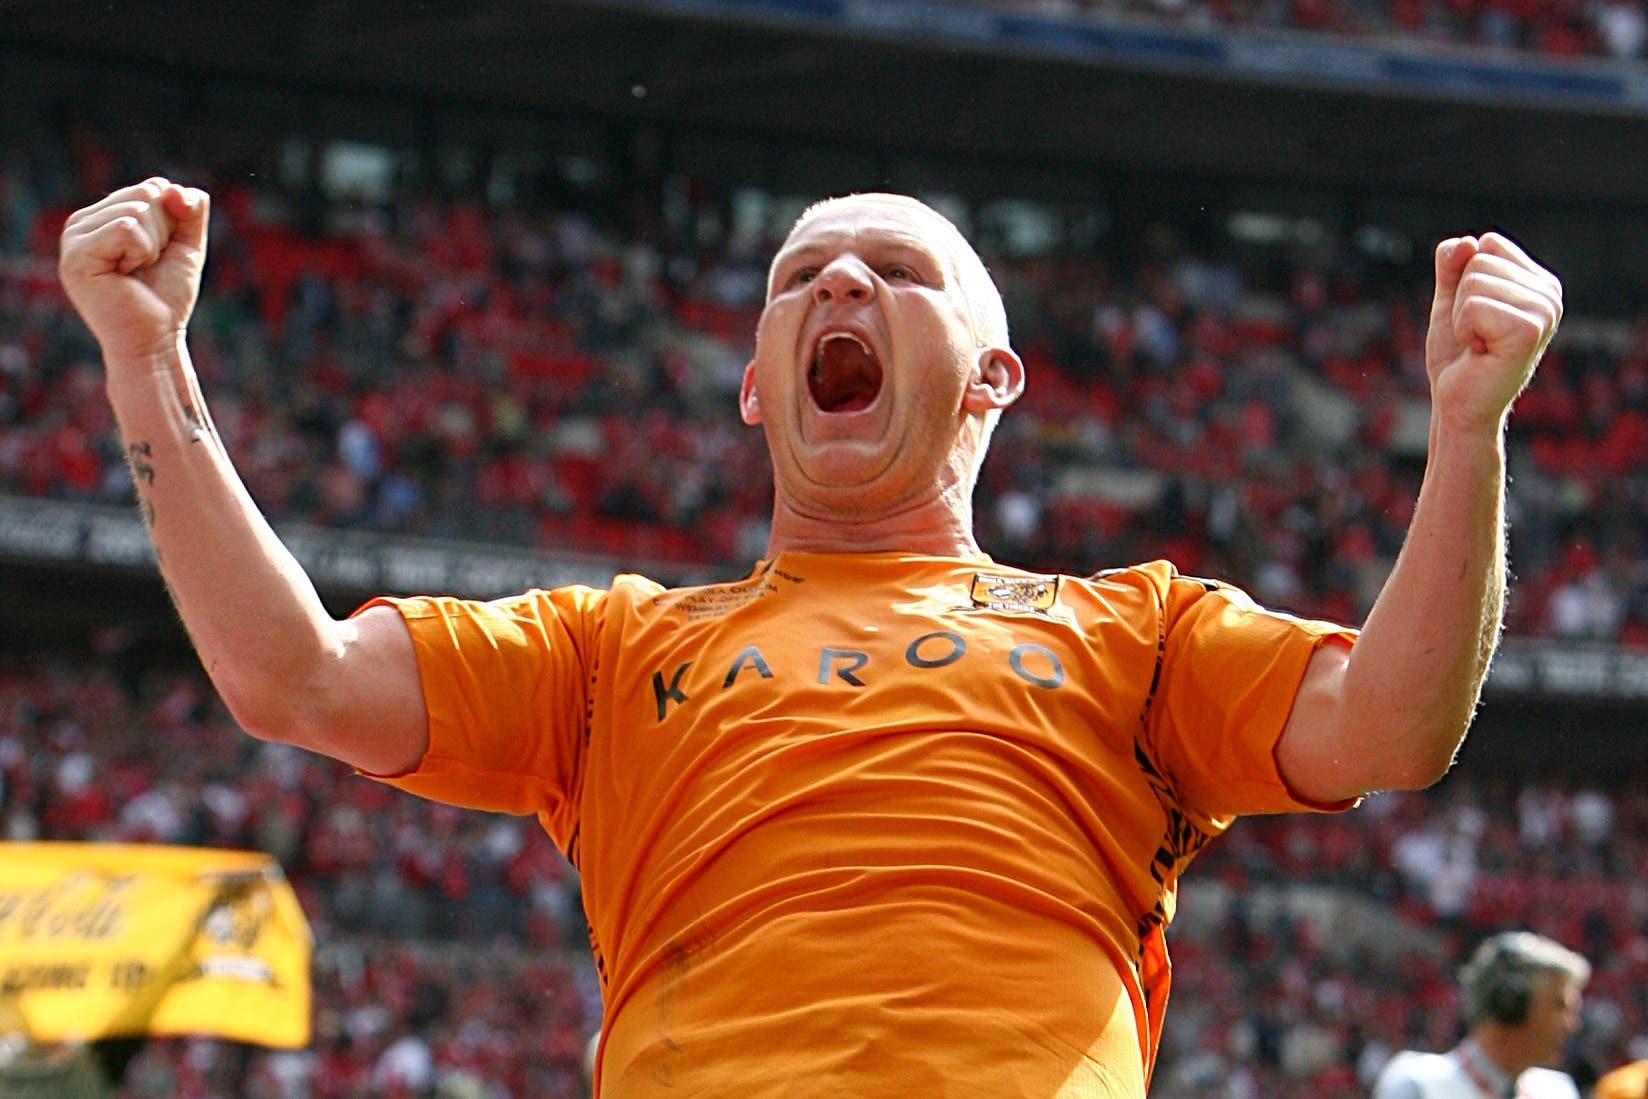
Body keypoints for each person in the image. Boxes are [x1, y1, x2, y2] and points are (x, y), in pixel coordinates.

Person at [57, 177, 1562, 1098]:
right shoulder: (605, 646)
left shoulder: (1137, 627)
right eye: (799, 279)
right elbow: (288, 675)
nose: (839, 279)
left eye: (896, 273)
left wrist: (1467, 430)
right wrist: (146, 359)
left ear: (994, 378)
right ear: (759, 390)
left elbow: (1394, 727)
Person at [1371, 931, 1590, 1099]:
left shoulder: (1558, 1092)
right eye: (1559, 1006)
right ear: (1510, 1004)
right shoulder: (1420, 1085)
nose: (1571, 1025)